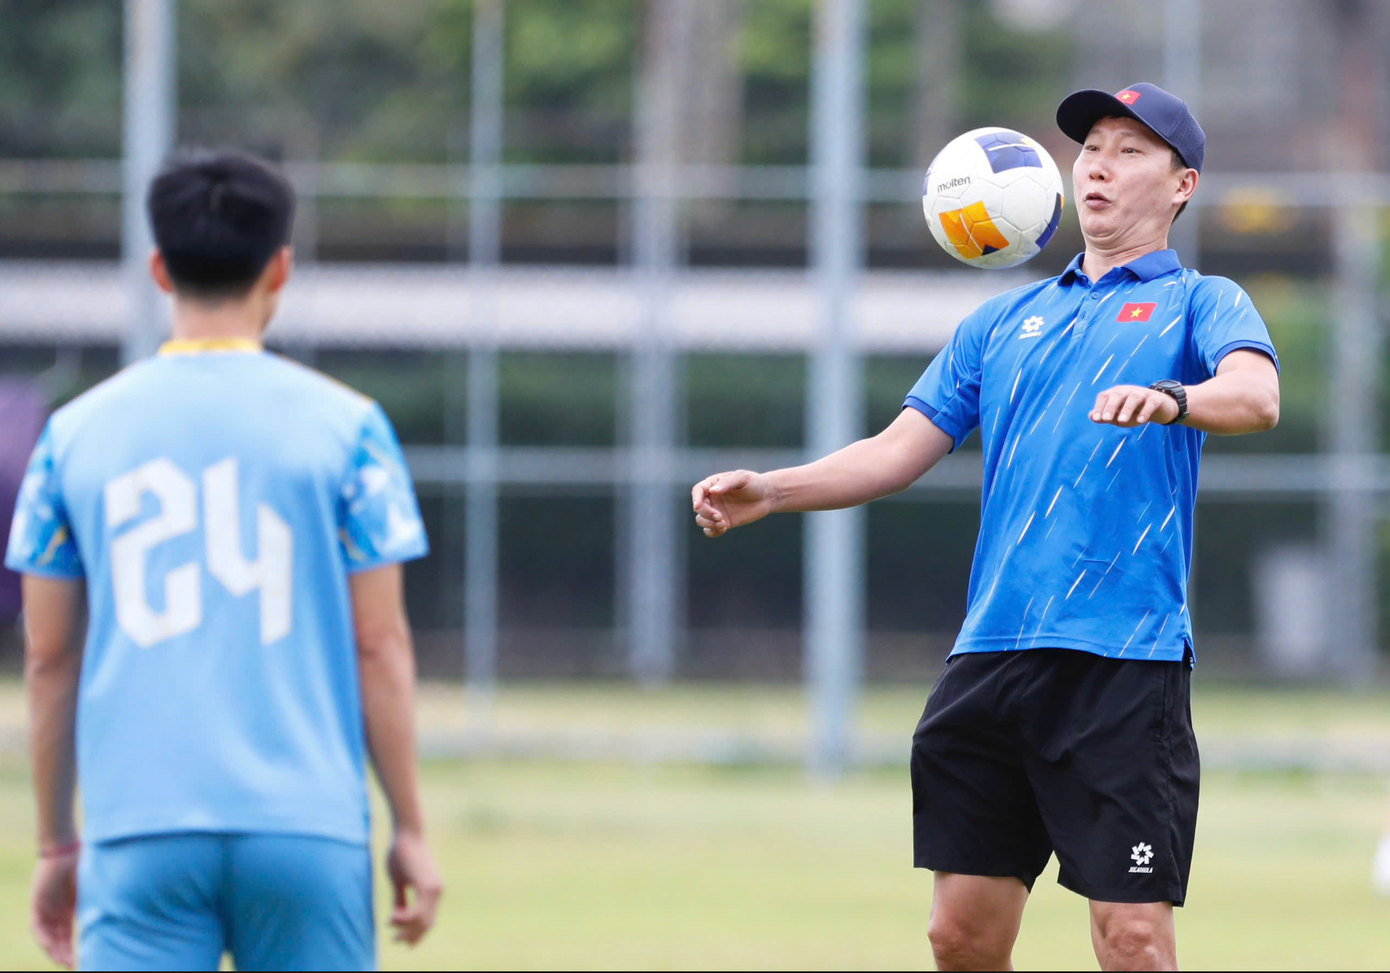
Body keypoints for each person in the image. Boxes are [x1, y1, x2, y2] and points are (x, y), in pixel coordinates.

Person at [692, 82, 1280, 971]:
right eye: (1090, 149)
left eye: (1130, 151)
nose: (1099, 167)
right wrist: (772, 490)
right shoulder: (1002, 320)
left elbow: (1256, 394)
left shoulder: (1203, 301)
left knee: (1132, 939)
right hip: (992, 654)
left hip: (1122, 661)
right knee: (958, 934)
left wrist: (1173, 397)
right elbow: (896, 450)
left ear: (1182, 184)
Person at [6, 149, 442, 970]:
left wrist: (57, 841)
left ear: (159, 269)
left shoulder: (71, 436)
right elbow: (379, 642)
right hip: (307, 825)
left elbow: (49, 655)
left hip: (141, 825)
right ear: (281, 268)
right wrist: (410, 825)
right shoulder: (351, 428)